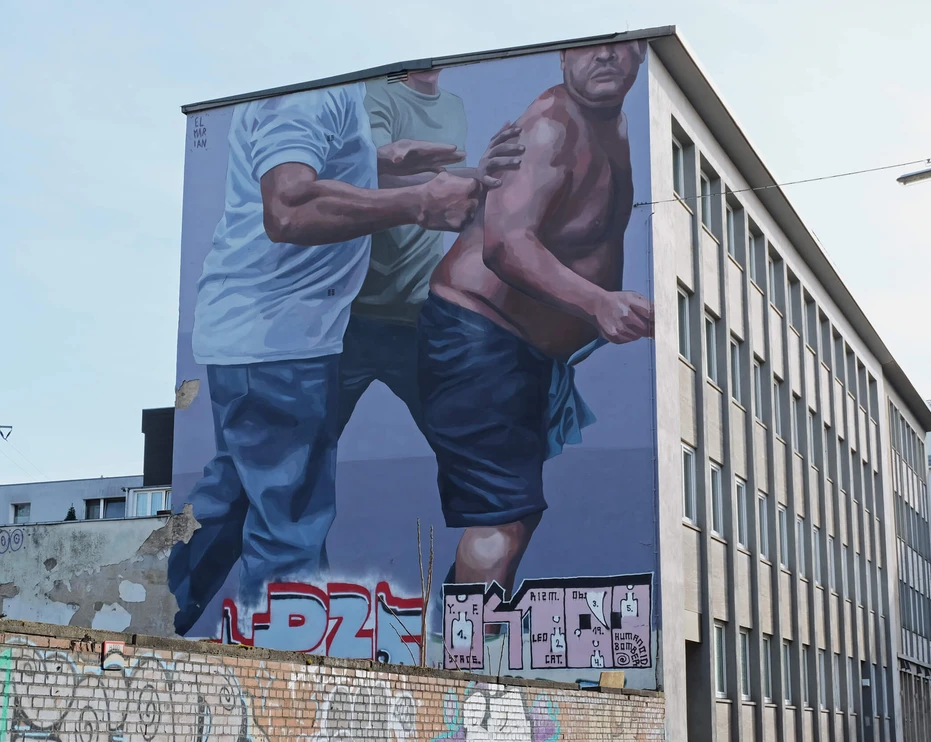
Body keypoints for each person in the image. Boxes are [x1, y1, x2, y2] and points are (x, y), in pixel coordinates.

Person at [168, 81, 482, 636]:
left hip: (258, 341)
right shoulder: (307, 93)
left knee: (229, 504)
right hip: (281, 347)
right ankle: (282, 695)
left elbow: (302, 169)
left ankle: (144, 619)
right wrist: (417, 203)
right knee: (288, 529)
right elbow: (288, 207)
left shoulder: (316, 91)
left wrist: (378, 160)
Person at [418, 42, 655, 599]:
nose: (607, 56)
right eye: (592, 47)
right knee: (501, 518)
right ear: (563, 58)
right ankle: (463, 674)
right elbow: (506, 245)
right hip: (478, 339)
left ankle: (461, 653)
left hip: (517, 351)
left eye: (621, 45)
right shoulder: (550, 126)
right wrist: (598, 303)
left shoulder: (614, 123)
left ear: (641, 53)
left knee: (515, 517)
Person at [334, 70, 524, 439]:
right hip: (352, 317)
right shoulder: (378, 93)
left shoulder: (454, 106)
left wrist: (479, 175)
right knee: (307, 452)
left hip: (418, 314)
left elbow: (445, 180)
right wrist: (463, 181)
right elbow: (372, 172)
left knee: (463, 444)